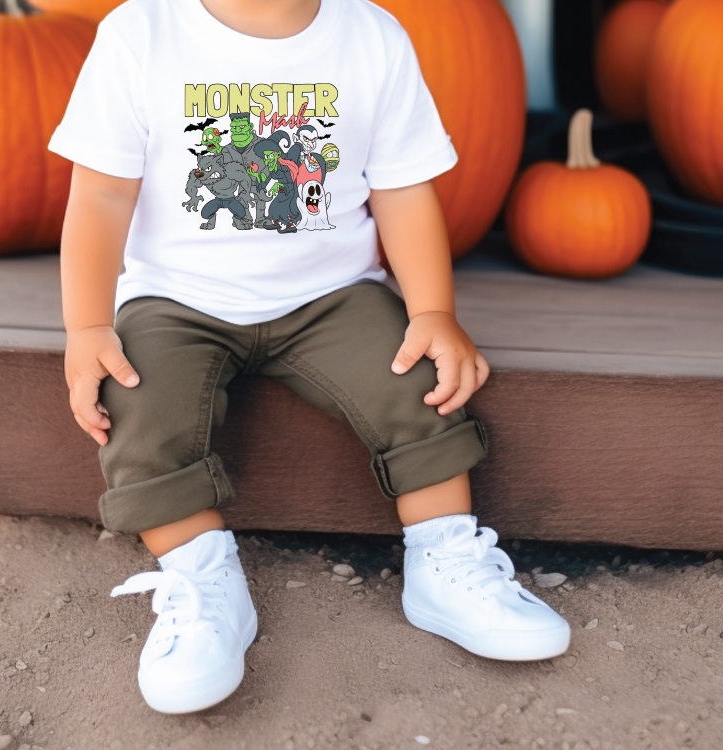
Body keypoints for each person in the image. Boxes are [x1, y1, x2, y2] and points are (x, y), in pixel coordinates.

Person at [49, 0, 571, 716]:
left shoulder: (372, 36)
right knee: (138, 402)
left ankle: (445, 560)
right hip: (176, 299)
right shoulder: (141, 33)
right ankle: (203, 585)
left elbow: (403, 189)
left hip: (332, 295)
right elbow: (102, 194)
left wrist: (433, 313)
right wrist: (86, 327)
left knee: (419, 380)